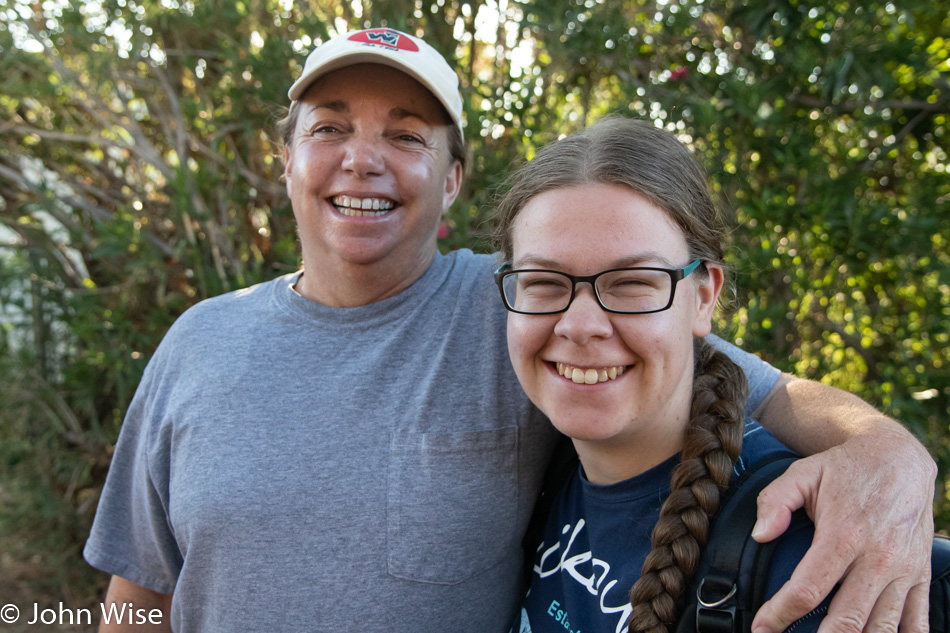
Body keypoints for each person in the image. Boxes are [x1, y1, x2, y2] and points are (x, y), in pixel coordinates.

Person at [82, 27, 935, 633]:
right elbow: (142, 593)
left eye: (406, 135)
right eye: (330, 127)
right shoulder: (197, 342)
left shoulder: (531, 306)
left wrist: (892, 456)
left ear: (452, 181)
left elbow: (763, 390)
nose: (362, 158)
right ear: (288, 158)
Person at [494, 116, 829, 632]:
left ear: (703, 297)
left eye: (632, 282)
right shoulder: (545, 473)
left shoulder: (795, 554)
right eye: (543, 282)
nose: (581, 326)